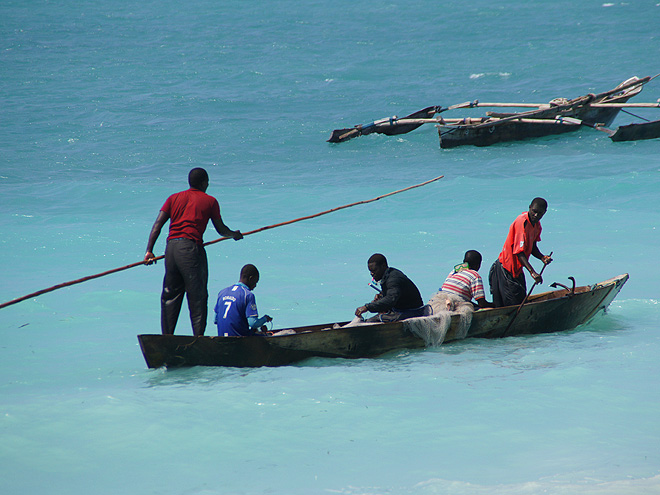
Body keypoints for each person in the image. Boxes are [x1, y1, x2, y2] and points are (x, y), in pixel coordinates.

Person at [144, 167, 243, 336]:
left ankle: (167, 338)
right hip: (190, 249)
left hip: (171, 250)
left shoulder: (173, 198)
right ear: (205, 183)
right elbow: (221, 229)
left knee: (170, 295)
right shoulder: (210, 201)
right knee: (197, 296)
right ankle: (198, 339)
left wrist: (149, 251)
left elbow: (157, 225)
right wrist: (234, 235)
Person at [489, 197, 553, 307]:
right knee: (513, 305)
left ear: (544, 213)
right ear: (529, 208)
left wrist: (542, 257)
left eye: (540, 213)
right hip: (506, 268)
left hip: (517, 269)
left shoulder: (537, 225)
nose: (536, 215)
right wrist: (532, 272)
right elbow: (519, 252)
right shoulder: (521, 222)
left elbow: (532, 246)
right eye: (534, 212)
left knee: (521, 300)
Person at [355, 253, 425, 322]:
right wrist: (382, 296)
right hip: (401, 310)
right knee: (371, 321)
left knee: (373, 321)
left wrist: (367, 307)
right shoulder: (387, 275)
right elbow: (391, 295)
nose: (371, 274)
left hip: (414, 312)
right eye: (370, 271)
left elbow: (390, 300)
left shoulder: (393, 279)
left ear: (383, 266)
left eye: (374, 270)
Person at [214, 264, 272, 336]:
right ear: (251, 278)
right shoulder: (248, 295)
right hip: (239, 340)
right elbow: (253, 323)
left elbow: (215, 320)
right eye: (255, 282)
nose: (255, 285)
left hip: (222, 338)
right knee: (267, 337)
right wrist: (265, 319)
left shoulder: (222, 292)